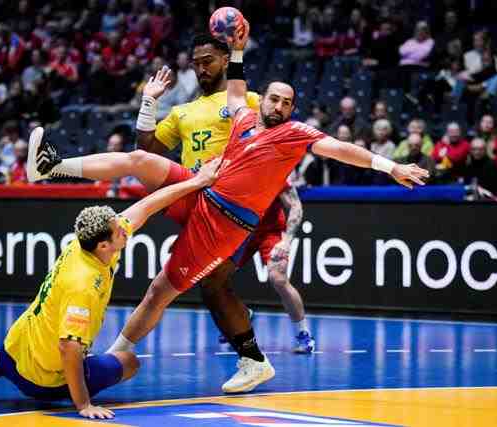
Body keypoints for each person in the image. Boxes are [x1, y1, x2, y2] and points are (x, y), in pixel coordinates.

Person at [28, 17, 428, 394]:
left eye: (286, 103)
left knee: (161, 291)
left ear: (292, 110)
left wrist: (389, 166)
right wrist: (237, 51)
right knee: (140, 161)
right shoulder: (244, 118)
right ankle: (52, 167)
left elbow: (340, 149)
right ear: (262, 100)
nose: (277, 106)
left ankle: (116, 359)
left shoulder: (293, 133)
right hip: (202, 188)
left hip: (223, 222)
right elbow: (235, 91)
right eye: (273, 99)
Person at [0, 152, 220, 420]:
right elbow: (69, 348)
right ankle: (73, 389)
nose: (125, 230)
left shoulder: (87, 244)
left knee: (2, 358)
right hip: (45, 381)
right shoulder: (85, 283)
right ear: (104, 247)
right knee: (130, 362)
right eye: (118, 232)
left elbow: (146, 206)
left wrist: (197, 181)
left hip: (16, 351)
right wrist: (83, 404)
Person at [137, 33, 315, 353]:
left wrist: (238, 50)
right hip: (203, 203)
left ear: (223, 61)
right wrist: (149, 102)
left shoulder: (249, 101)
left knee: (230, 281)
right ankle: (246, 338)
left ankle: (273, 344)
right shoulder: (181, 113)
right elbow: (146, 149)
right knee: (208, 283)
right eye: (196, 64)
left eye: (208, 61)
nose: (202, 69)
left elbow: (279, 129)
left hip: (243, 205)